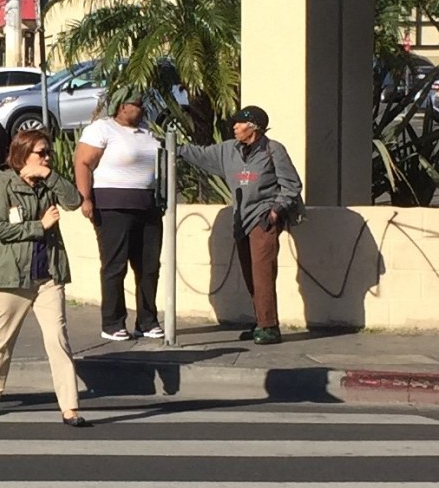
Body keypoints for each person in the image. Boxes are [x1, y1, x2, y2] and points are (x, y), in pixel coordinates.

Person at [0, 129, 90, 427]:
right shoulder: (4, 184)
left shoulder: (48, 183)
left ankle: (69, 407)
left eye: (48, 152)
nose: (46, 157)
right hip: (11, 277)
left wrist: (50, 175)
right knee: (1, 339)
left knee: (58, 338)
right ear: (22, 154)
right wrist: (38, 226)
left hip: (48, 274)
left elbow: (73, 202)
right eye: (40, 152)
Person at [176, 105, 303, 346]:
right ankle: (260, 321)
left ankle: (269, 326)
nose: (234, 127)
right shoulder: (228, 150)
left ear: (253, 127)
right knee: (250, 274)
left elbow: (292, 185)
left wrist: (275, 212)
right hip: (240, 219)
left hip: (263, 218)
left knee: (263, 272)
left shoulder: (273, 150)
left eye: (239, 123)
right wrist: (175, 147)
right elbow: (202, 154)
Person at [73, 89, 163, 341]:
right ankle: (112, 323)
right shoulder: (102, 130)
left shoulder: (148, 131)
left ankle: (147, 320)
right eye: (135, 104)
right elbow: (82, 163)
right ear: (121, 106)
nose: (140, 108)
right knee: (115, 265)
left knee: (149, 266)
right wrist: (86, 199)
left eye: (141, 104)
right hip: (112, 205)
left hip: (147, 205)